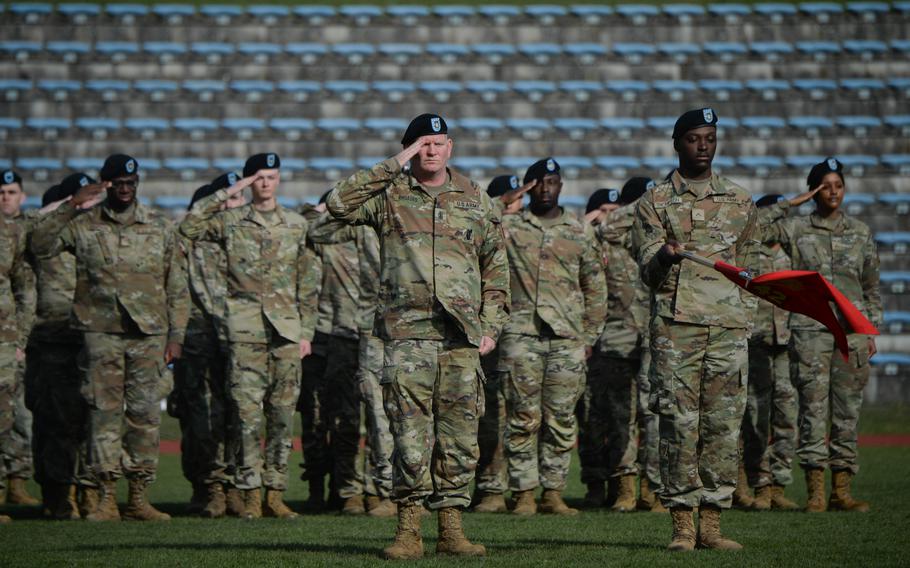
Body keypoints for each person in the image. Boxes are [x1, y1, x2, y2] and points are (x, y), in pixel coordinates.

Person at [327, 113, 510, 559]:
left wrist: (491, 327)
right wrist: (395, 162)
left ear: (451, 148)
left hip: (461, 338)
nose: (431, 151)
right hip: (407, 335)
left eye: (438, 143)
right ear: (411, 149)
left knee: (460, 439)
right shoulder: (389, 195)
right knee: (409, 437)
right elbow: (337, 203)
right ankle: (408, 529)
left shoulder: (475, 198)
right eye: (422, 144)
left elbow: (496, 267)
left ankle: (451, 529)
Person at [31, 154, 187, 522]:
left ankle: (137, 496)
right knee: (103, 415)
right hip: (101, 333)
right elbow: (39, 244)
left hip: (148, 334)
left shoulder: (159, 226)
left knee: (145, 415)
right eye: (118, 183)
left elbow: (177, 287)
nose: (126, 189)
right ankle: (102, 497)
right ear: (105, 185)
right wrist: (72, 205)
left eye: (131, 183)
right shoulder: (83, 225)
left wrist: (176, 336)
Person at [631, 108, 760, 551]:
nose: (703, 146)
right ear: (676, 144)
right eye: (693, 139)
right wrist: (665, 255)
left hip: (727, 329)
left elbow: (753, 269)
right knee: (679, 426)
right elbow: (647, 273)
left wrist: (745, 321)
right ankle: (682, 524)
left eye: (709, 138)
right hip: (676, 330)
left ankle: (712, 523)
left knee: (723, 427)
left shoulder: (740, 201)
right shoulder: (654, 202)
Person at [179, 153, 317, 520]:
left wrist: (306, 332)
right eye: (258, 178)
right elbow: (189, 227)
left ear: (279, 180)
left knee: (283, 415)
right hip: (245, 331)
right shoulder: (230, 221)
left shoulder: (295, 224)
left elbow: (308, 282)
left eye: (272, 177)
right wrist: (230, 191)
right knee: (245, 415)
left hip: (286, 331)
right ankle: (249, 492)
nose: (266, 183)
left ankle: (275, 492)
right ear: (248, 182)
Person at [760, 158, 882, 513]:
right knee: (812, 412)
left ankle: (840, 491)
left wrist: (870, 329)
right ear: (814, 190)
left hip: (852, 334)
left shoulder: (860, 232)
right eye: (825, 186)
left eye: (838, 185)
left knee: (847, 412)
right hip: (811, 332)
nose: (833, 192)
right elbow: (753, 228)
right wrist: (791, 204)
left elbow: (871, 287)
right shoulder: (796, 230)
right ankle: (814, 491)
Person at [501, 158, 607, 517]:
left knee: (561, 419)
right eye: (539, 183)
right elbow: (476, 217)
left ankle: (553, 491)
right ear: (529, 188)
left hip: (567, 338)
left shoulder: (579, 230)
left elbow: (595, 285)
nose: (546, 189)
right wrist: (508, 198)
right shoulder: (510, 226)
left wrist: (589, 335)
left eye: (552, 182)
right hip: (522, 334)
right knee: (522, 417)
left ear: (561, 186)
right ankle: (524, 492)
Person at [307, 207, 396, 517]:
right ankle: (349, 491)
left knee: (380, 415)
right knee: (345, 419)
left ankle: (378, 490)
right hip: (343, 334)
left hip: (382, 332)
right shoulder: (346, 231)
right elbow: (312, 228)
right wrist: (329, 209)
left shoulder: (394, 225)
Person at [171, 172, 247, 518]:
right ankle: (208, 487)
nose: (234, 206)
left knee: (238, 414)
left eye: (237, 200)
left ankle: (232, 486)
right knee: (201, 416)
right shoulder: (192, 242)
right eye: (228, 200)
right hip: (198, 339)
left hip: (237, 337)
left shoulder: (244, 239)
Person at [579, 178, 652, 512]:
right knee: (617, 417)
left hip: (654, 339)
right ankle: (623, 486)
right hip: (615, 340)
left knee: (655, 416)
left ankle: (652, 488)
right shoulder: (606, 240)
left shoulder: (656, 241)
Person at [28, 174, 99, 520]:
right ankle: (57, 495)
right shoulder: (47, 231)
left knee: (94, 421)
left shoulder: (95, 234)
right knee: (55, 421)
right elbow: (35, 231)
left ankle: (89, 491)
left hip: (93, 338)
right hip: (53, 340)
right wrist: (68, 206)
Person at [736, 194, 801, 511]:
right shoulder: (750, 253)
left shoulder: (792, 251)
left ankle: (778, 484)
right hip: (756, 343)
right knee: (755, 417)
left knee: (787, 416)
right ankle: (758, 482)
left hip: (786, 344)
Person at [471, 174, 527, 514]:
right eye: (511, 202)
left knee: (521, 414)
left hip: (520, 335)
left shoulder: (528, 233)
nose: (516, 209)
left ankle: (524, 490)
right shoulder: (479, 230)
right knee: (485, 414)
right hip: (484, 335)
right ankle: (489, 487)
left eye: (519, 202)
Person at [0, 169, 39, 508]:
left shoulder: (25, 233)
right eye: (1, 192)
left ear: (22, 197)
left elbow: (26, 291)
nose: (6, 198)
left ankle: (16, 481)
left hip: (9, 340)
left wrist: (20, 338)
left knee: (17, 414)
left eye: (11, 192)